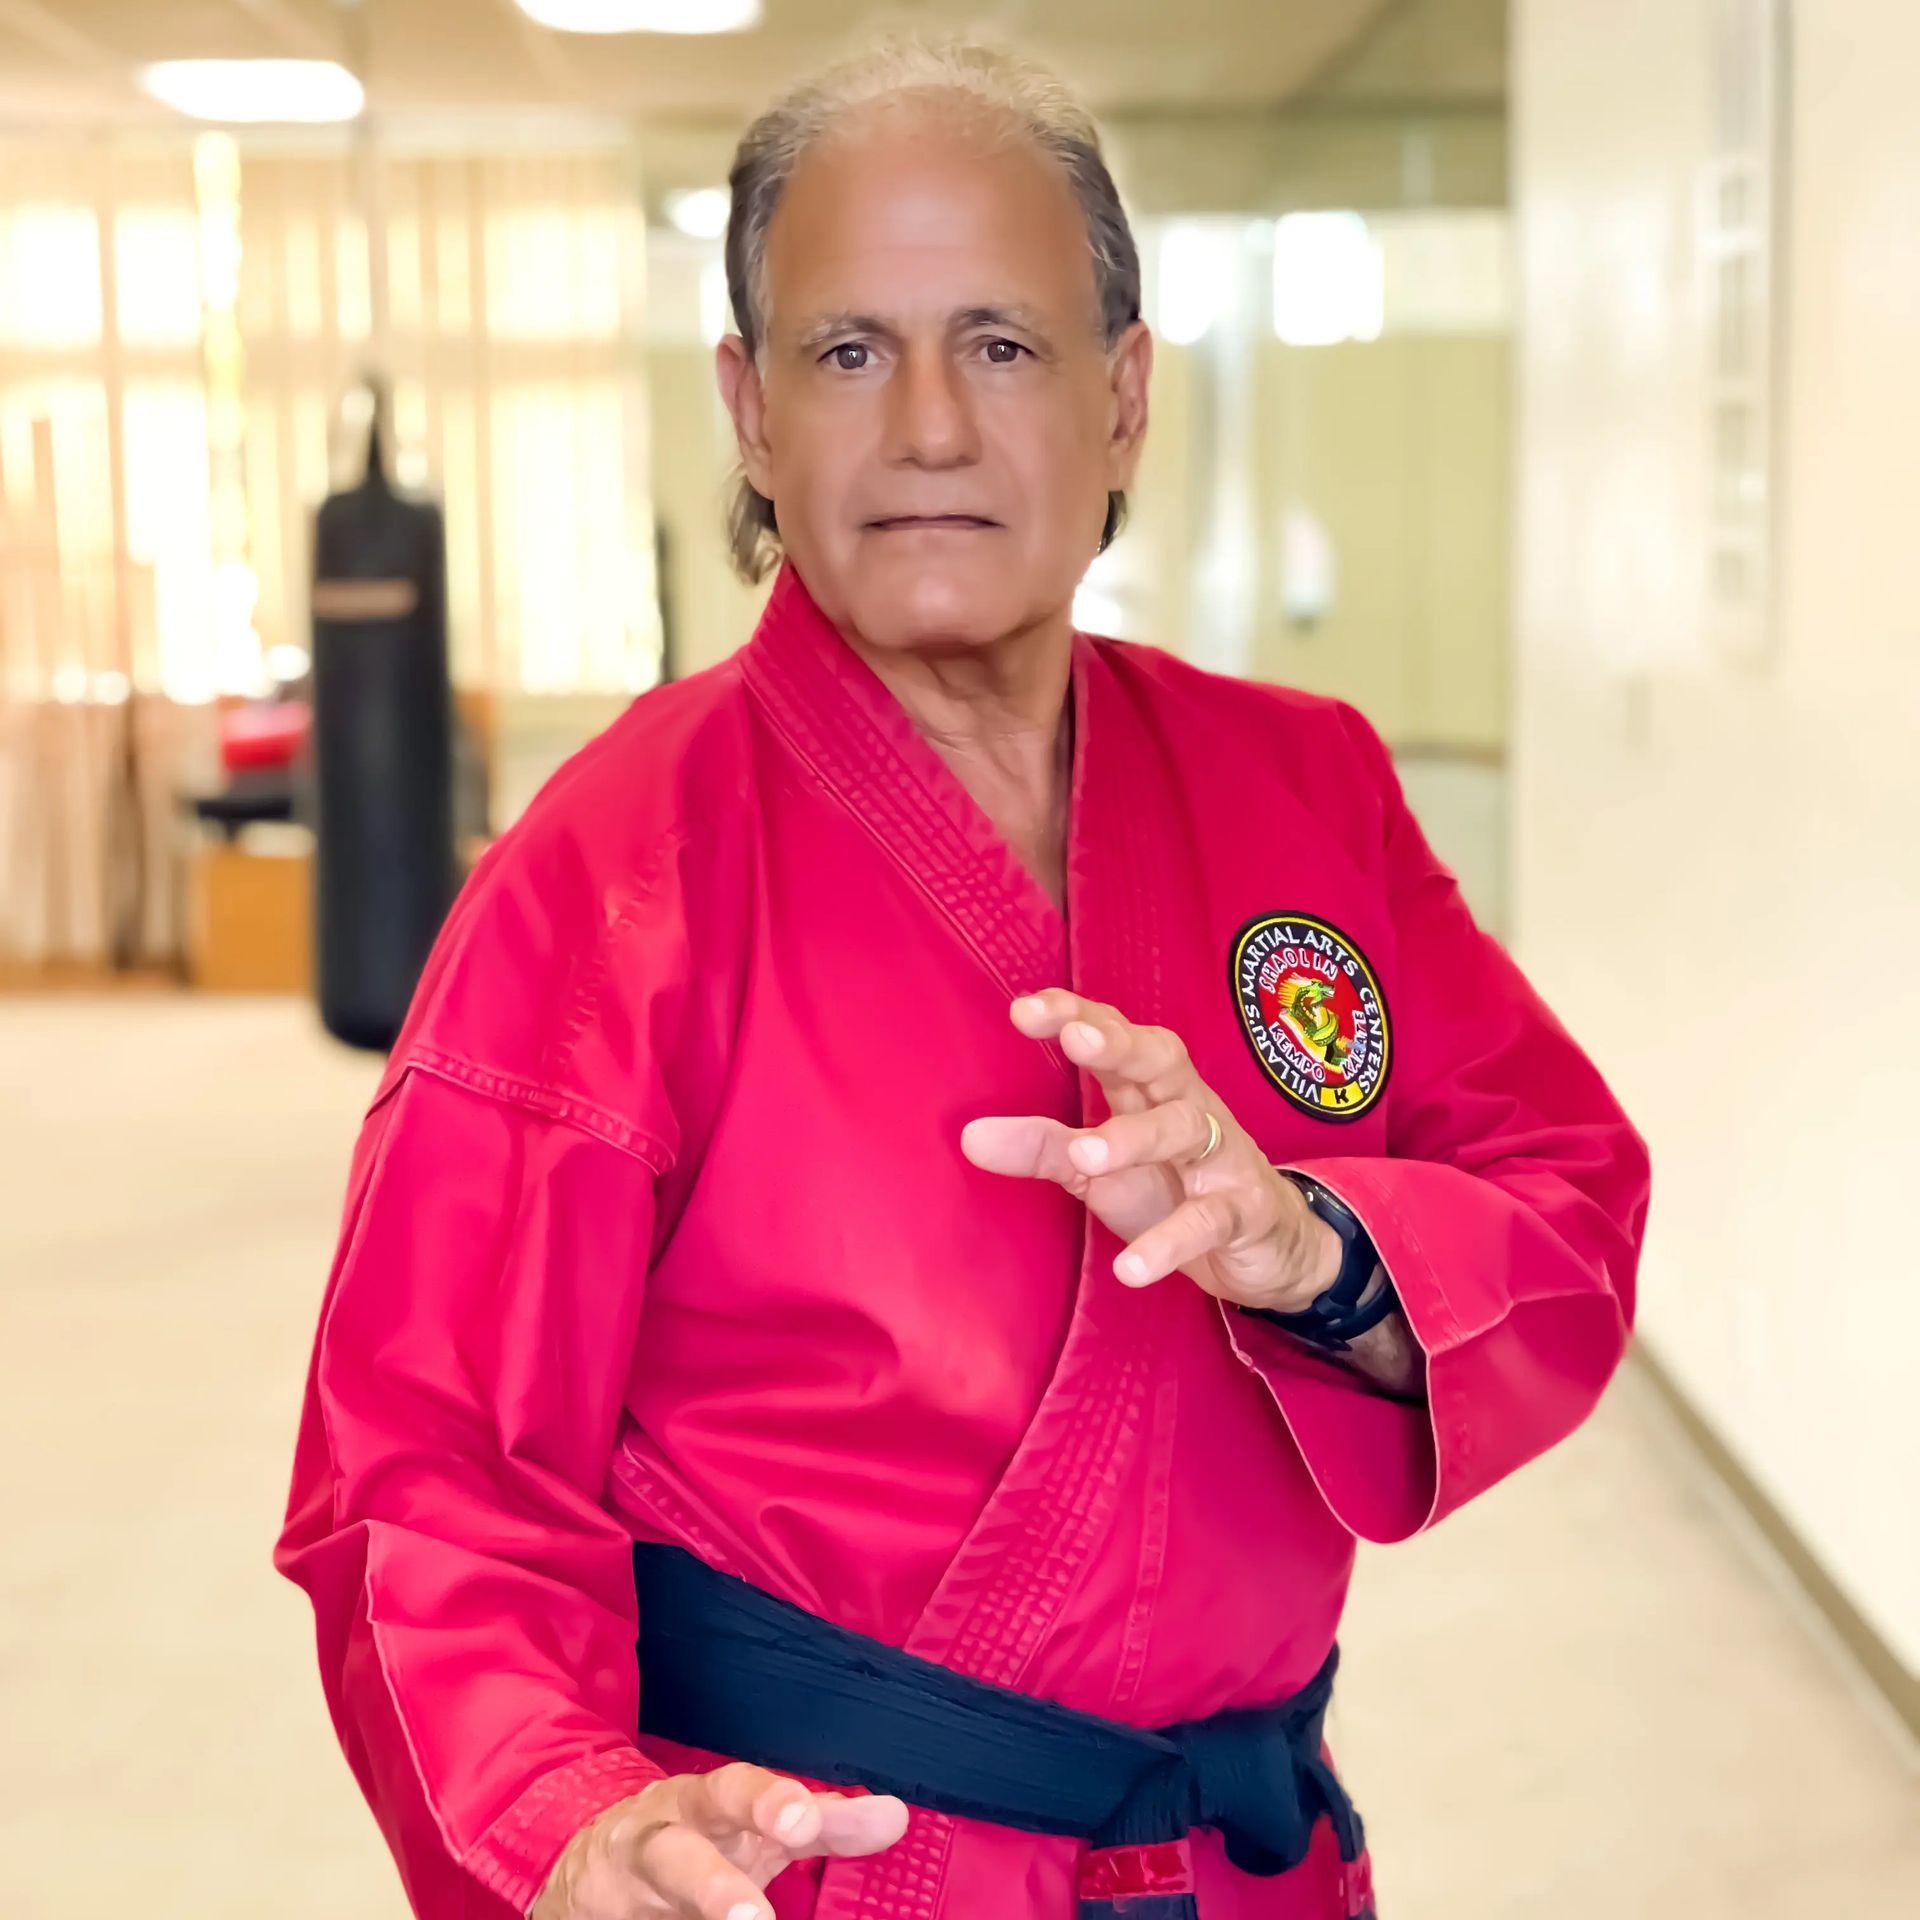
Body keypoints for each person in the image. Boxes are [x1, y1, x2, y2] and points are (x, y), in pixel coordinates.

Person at [276, 36, 1649, 1920]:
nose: (929, 423)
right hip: (820, 1866)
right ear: (751, 414)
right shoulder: (607, 872)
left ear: (1127, 396)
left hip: (1248, 1863)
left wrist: (1312, 1248)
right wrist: (567, 1810)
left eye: (1001, 343)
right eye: (850, 352)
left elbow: (1560, 1205)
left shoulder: (1300, 775)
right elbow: (425, 1472)